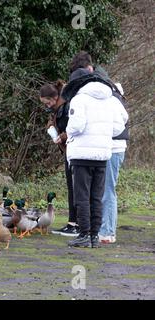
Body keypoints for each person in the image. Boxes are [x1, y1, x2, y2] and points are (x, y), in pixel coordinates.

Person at [65, 51, 129, 244]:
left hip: (82, 153)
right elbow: (120, 124)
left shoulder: (79, 99)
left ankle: (84, 235)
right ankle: (94, 234)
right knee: (97, 196)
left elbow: (76, 126)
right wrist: (103, 133)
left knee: (82, 197)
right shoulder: (109, 97)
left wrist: (69, 132)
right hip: (102, 153)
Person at [39, 81, 80, 237]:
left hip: (75, 150)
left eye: (47, 102)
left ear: (55, 97)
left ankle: (77, 224)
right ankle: (72, 222)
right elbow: (57, 121)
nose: (47, 105)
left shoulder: (68, 106)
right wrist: (51, 126)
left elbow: (74, 127)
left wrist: (62, 136)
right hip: (68, 151)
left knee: (76, 188)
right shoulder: (57, 108)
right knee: (71, 187)